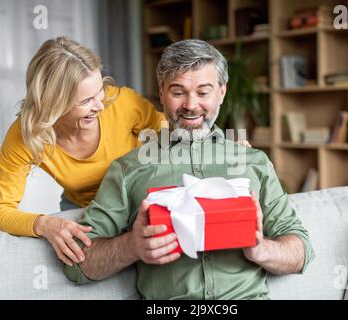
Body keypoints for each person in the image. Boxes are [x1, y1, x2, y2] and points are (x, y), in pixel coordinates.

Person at [63, 39, 314, 299]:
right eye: (178, 92)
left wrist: (262, 250)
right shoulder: (128, 169)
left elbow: (301, 250)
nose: (191, 105)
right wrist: (131, 247)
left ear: (222, 92)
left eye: (203, 92)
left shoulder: (253, 162)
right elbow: (78, 264)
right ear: (161, 94)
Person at [0, 37, 165, 267]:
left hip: (134, 197)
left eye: (99, 91)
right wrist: (45, 224)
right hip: (83, 208)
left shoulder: (122, 103)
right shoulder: (27, 135)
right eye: (86, 100)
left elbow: (173, 139)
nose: (100, 105)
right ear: (53, 104)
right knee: (78, 266)